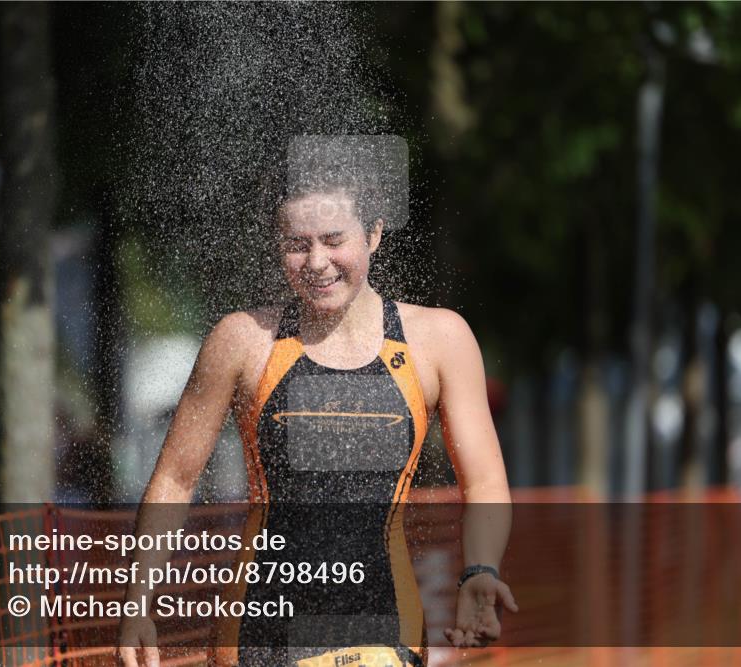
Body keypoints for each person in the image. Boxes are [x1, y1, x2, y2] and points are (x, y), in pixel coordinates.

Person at [116, 178, 518, 667]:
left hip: (386, 633)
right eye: (296, 245)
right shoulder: (242, 341)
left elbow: (484, 481)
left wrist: (480, 569)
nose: (317, 262)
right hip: (259, 637)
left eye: (333, 240)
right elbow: (175, 480)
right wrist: (137, 603)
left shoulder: (439, 340)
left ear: (373, 233)